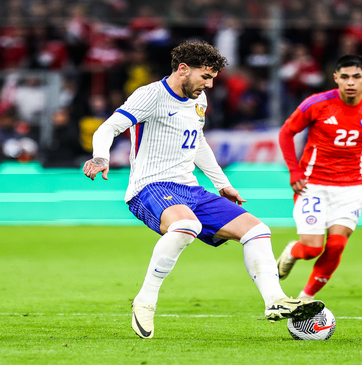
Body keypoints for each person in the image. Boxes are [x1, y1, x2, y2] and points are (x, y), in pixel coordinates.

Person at [83, 40, 324, 339]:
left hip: (190, 188)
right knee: (186, 226)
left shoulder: (198, 100)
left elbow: (197, 143)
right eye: (205, 77)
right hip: (150, 186)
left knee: (257, 230)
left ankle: (274, 300)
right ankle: (145, 300)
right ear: (183, 69)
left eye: (212, 78)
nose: (209, 85)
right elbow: (108, 128)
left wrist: (223, 184)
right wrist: (101, 156)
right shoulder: (151, 95)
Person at [276, 54, 362, 300]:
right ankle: (293, 251)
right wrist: (294, 171)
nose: (350, 82)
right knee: (312, 248)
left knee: (336, 246)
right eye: (344, 77)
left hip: (351, 188)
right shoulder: (316, 103)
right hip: (312, 185)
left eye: (356, 77)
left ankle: (306, 298)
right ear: (335, 78)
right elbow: (286, 133)